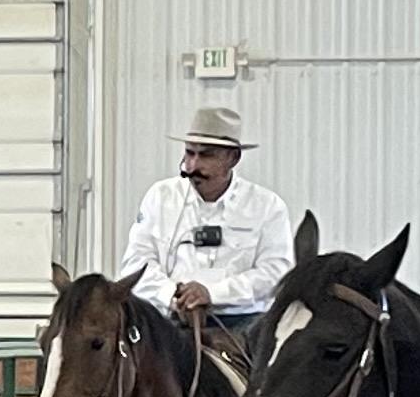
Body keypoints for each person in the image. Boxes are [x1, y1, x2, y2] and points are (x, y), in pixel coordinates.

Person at [118, 107, 295, 331]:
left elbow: (275, 274)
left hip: (244, 324)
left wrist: (211, 294)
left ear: (233, 158)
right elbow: (136, 263)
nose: (193, 166)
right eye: (190, 153)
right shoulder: (160, 198)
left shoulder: (267, 207)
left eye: (206, 155)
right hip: (170, 322)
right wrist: (175, 295)